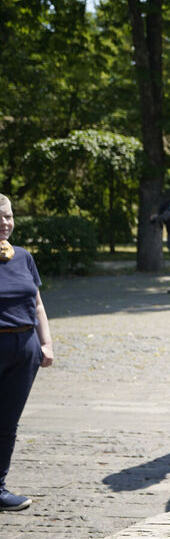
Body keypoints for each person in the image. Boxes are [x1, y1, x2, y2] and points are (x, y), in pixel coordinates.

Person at [0, 195, 54, 511]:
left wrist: (46, 344)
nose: (5, 223)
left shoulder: (22, 257)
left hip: (24, 350)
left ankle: (0, 487)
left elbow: (37, 304)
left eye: (8, 216)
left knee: (7, 423)